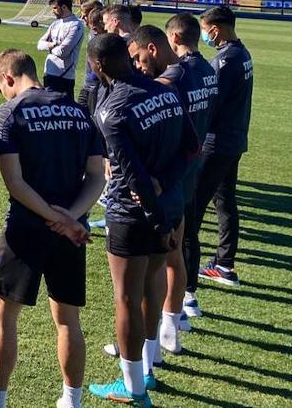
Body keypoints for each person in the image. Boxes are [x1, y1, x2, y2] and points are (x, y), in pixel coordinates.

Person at [0, 49, 105, 408]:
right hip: (72, 232)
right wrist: (70, 218)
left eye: (0, 87)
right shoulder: (81, 113)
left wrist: (55, 217)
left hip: (24, 229)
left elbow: (16, 184)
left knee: (2, 317)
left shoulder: (10, 113)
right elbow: (97, 176)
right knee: (68, 320)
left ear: (8, 78)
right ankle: (72, 401)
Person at [86, 33, 194, 406]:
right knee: (151, 287)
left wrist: (159, 219)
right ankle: (147, 368)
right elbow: (191, 148)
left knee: (127, 299)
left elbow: (133, 177)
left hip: (133, 217)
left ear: (97, 66)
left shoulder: (111, 109)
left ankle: (132, 388)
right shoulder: (166, 90)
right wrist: (165, 186)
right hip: (173, 202)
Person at [123, 22, 214, 358]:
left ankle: (145, 345)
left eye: (138, 57)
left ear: (154, 48)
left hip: (166, 181)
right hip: (188, 176)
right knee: (174, 255)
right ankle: (169, 329)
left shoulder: (169, 83)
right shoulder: (204, 69)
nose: (136, 65)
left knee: (153, 266)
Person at [192, 5, 253, 292]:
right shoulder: (243, 53)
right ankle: (225, 263)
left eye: (205, 30)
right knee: (225, 201)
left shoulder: (226, 61)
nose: (205, 35)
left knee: (195, 205)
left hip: (216, 143)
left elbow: (210, 105)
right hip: (234, 140)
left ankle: (186, 274)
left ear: (214, 28)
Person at [36, 0, 84, 98]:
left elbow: (63, 52)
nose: (52, 11)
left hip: (64, 76)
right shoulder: (55, 24)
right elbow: (39, 44)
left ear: (64, 7)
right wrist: (53, 45)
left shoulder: (76, 25)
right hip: (49, 73)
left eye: (55, 8)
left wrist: (49, 48)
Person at [76, 1, 107, 114]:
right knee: (80, 113)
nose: (82, 17)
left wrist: (95, 77)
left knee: (91, 117)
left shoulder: (101, 33)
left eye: (85, 14)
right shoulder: (92, 32)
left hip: (95, 84)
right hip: (88, 83)